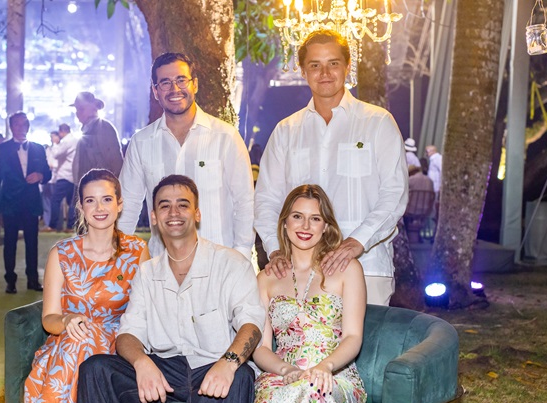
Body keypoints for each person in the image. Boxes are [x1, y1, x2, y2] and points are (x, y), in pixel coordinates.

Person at [77, 175, 265, 403]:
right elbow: (128, 333)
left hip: (212, 366)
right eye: (164, 206)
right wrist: (141, 363)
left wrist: (229, 362)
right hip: (166, 370)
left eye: (183, 205)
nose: (173, 212)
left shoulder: (230, 263)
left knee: (241, 378)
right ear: (154, 217)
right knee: (95, 370)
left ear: (197, 213)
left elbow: (251, 324)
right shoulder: (147, 272)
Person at [0, 169, 149, 403]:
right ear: (80, 206)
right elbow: (49, 318)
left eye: (107, 199)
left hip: (118, 346)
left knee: (89, 345)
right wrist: (67, 321)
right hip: (66, 345)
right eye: (90, 201)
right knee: (82, 340)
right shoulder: (63, 253)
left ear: (120, 204)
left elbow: (146, 311)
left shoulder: (137, 251)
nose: (99, 207)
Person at [254, 29, 408, 306]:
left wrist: (356, 242)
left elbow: (394, 193)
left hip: (367, 265)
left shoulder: (377, 122)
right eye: (315, 65)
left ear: (347, 67)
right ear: (303, 71)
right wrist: (275, 250)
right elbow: (266, 199)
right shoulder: (286, 131)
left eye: (333, 63)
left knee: (367, 336)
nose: (324, 73)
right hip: (298, 271)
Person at [246, 184, 367, 403]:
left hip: (334, 378)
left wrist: (325, 366)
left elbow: (353, 337)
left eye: (315, 219)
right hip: (282, 374)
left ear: (326, 226)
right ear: (285, 223)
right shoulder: (266, 278)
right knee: (278, 395)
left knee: (308, 389)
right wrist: (286, 369)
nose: (305, 226)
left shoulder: (348, 269)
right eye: (297, 216)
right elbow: (261, 348)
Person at [118, 52, 255, 259]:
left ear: (195, 84)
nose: (175, 89)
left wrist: (241, 255)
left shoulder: (225, 137)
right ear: (155, 91)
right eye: (165, 83)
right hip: (163, 265)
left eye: (181, 80)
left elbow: (245, 202)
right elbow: (127, 206)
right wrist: (118, 258)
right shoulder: (141, 142)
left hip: (218, 264)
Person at [0, 112, 52, 294]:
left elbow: (47, 173)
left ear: (28, 126)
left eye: (24, 124)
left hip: (31, 201)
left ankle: (33, 279)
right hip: (10, 202)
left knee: (32, 242)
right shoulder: (2, 149)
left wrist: (40, 175)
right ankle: (10, 280)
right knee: (10, 242)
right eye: (17, 124)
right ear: (11, 127)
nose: (21, 127)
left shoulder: (38, 148)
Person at [70, 91, 123, 183]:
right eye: (77, 109)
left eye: (81, 109)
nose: (78, 113)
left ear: (93, 108)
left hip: (99, 186)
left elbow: (115, 162)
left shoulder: (103, 128)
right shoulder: (88, 130)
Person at [45, 123, 78, 232]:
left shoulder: (67, 141)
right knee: (71, 202)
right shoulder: (76, 140)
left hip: (64, 175)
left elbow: (56, 154)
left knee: (55, 200)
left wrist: (55, 144)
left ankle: (53, 225)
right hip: (73, 174)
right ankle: (70, 225)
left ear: (61, 131)